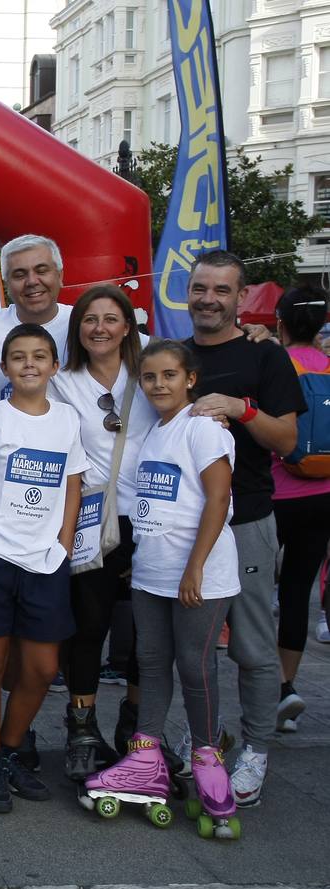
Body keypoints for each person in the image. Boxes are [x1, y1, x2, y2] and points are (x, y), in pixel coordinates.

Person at [85, 339, 241, 835]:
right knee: (151, 664)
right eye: (150, 378)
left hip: (199, 575)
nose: (158, 385)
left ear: (190, 378)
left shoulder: (202, 430)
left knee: (196, 668)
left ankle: (209, 763)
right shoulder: (156, 430)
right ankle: (147, 755)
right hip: (152, 573)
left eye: (169, 376)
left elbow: (218, 499)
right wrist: (144, 559)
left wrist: (194, 567)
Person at [181, 250, 301, 808]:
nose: (209, 298)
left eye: (221, 290)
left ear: (240, 296)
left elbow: (286, 441)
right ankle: (209, 739)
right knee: (195, 651)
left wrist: (242, 408)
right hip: (181, 526)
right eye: (201, 287)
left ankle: (256, 749)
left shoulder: (265, 359)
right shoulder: (171, 357)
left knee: (251, 648)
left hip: (246, 520)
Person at [0, 323, 86, 813]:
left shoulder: (68, 420)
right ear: (5, 367)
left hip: (44, 561)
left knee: (43, 668)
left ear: (53, 365)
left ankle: (8, 751)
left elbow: (73, 484)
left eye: (40, 355)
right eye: (19, 356)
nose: (30, 363)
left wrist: (64, 545)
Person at [41, 284, 156, 780]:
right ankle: (82, 730)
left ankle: (140, 735)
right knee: (90, 627)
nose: (100, 328)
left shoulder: (150, 369)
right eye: (90, 320)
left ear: (129, 327)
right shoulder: (62, 381)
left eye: (111, 319)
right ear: (77, 329)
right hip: (90, 520)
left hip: (154, 517)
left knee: (149, 635)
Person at [268, 286, 330, 733]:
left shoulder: (275, 365)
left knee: (248, 595)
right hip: (322, 495)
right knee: (297, 590)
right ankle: (286, 686)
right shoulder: (329, 368)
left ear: (280, 322)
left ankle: (260, 680)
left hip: (274, 494)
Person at [0, 235, 74, 400]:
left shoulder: (83, 325)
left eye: (42, 271)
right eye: (19, 274)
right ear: (7, 283)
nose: (31, 281)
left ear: (60, 276)